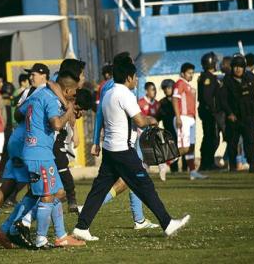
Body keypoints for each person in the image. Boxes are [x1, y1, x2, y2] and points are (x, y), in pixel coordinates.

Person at [72, 52, 190, 242]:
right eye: (135, 77)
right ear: (128, 77)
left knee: (99, 188)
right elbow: (141, 121)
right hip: (123, 151)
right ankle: (168, 224)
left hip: (110, 150)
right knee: (145, 186)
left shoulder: (108, 92)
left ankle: (82, 227)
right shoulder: (125, 94)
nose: (136, 80)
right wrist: (153, 120)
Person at [0, 63, 70, 250]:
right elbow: (53, 91)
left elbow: (17, 114)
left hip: (18, 141)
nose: (31, 77)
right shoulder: (45, 90)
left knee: (9, 186)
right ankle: (16, 227)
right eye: (30, 74)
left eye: (33, 74)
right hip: (28, 143)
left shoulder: (29, 92)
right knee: (44, 191)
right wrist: (66, 106)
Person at [90, 53, 159, 231]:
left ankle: (139, 219)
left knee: (130, 177)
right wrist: (95, 140)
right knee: (134, 177)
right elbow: (99, 114)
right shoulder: (114, 87)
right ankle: (151, 220)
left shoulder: (125, 86)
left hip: (129, 136)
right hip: (122, 141)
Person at [18, 69, 84, 249]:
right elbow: (56, 124)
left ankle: (61, 235)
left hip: (36, 150)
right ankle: (39, 237)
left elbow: (19, 112)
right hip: (39, 153)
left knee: (59, 192)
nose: (74, 96)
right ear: (68, 91)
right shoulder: (52, 100)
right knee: (47, 196)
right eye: (74, 93)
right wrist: (67, 111)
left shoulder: (37, 95)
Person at [220, 54, 254, 174]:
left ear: (244, 68)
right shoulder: (227, 80)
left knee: (250, 141)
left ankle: (253, 166)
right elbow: (223, 100)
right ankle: (233, 167)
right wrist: (229, 114)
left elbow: (253, 97)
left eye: (240, 67)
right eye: (235, 66)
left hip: (248, 116)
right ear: (232, 67)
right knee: (233, 143)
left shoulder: (249, 78)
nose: (238, 69)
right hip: (234, 117)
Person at [173, 63, 207, 180]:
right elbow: (175, 99)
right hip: (183, 118)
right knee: (185, 148)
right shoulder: (180, 83)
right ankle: (164, 162)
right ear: (183, 73)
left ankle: (193, 172)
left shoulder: (189, 86)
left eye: (192, 73)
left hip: (191, 119)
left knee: (191, 147)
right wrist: (178, 117)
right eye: (189, 73)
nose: (191, 75)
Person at [197, 52, 221, 171]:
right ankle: (207, 163)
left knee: (211, 137)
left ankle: (208, 162)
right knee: (211, 137)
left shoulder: (208, 76)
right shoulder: (207, 77)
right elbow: (207, 97)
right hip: (208, 112)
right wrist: (213, 110)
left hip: (208, 111)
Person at [158, 79, 179, 173]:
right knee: (172, 151)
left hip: (180, 129)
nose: (166, 90)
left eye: (168, 88)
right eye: (164, 88)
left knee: (183, 148)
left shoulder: (179, 100)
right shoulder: (162, 102)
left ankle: (186, 169)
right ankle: (174, 170)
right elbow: (158, 116)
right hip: (169, 130)